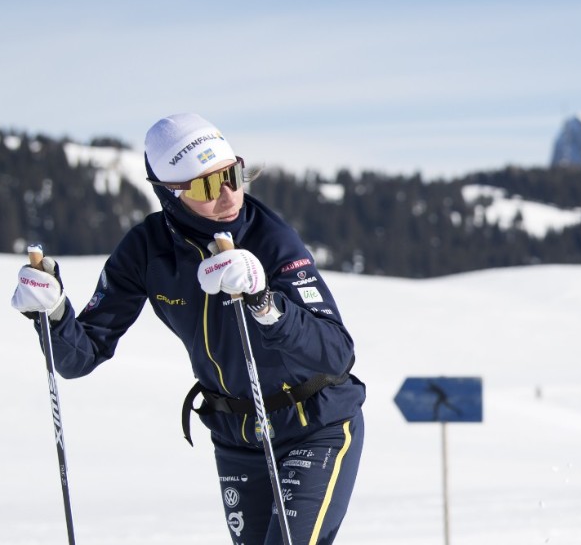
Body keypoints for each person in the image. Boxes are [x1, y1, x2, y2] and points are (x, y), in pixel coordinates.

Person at [11, 113, 365, 544]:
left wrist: (266, 302)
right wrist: (53, 315)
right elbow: (78, 358)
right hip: (237, 434)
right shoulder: (146, 250)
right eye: (205, 185)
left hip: (316, 423)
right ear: (169, 193)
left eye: (233, 174)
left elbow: (337, 352)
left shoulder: (271, 238)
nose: (228, 194)